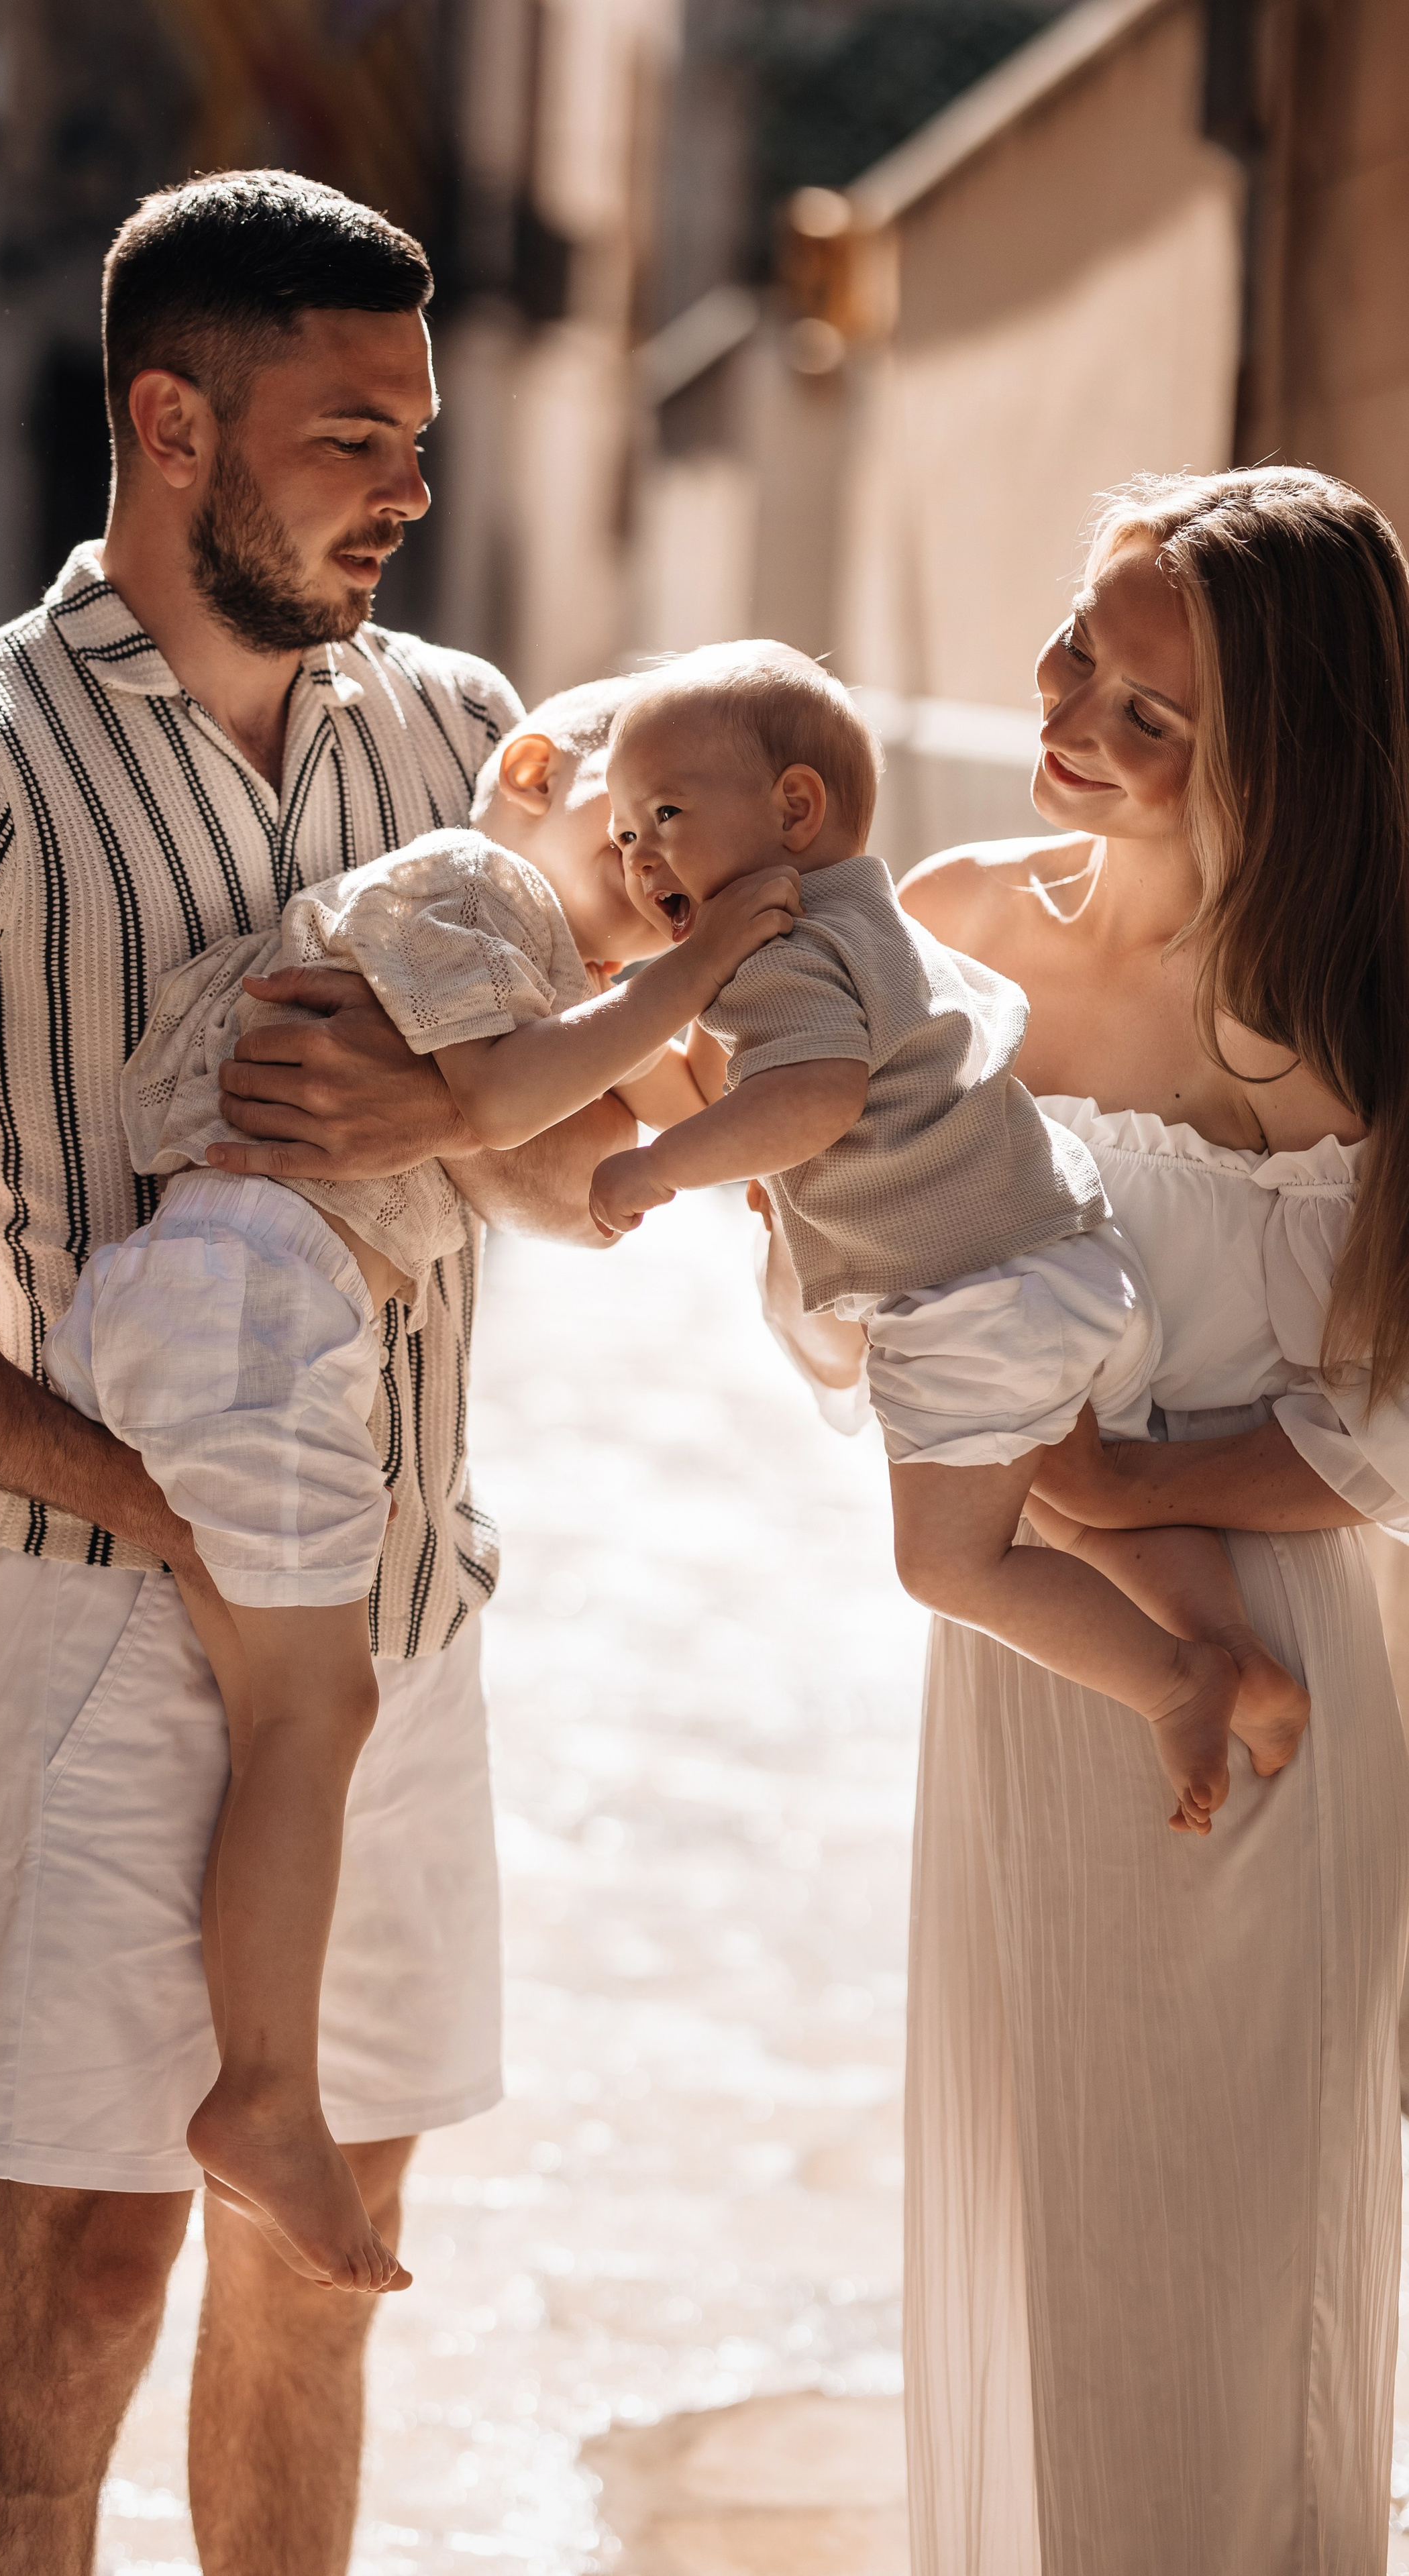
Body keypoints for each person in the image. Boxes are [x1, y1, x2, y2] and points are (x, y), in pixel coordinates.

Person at [0, 169, 637, 2575]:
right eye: (354, 436)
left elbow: (571, 1175)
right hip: (103, 1622)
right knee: (87, 2281)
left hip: (404, 1617)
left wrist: (452, 1110)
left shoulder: (467, 740)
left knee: (315, 2286)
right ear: (171, 422)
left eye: (417, 432)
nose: (413, 490)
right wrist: (135, 1490)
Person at [767, 467, 1409, 2571]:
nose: (1076, 721)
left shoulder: (1355, 1014)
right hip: (1025, 1665)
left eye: (1157, 714)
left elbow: (1396, 1421)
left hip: (1281, 1676)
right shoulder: (949, 925)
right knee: (1040, 2218)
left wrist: (1125, 1474)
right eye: (1081, 655)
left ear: (1288, 751)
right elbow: (827, 1311)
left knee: (1235, 2275)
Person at [44, 682, 792, 2282]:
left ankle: (265, 2087)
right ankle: (259, 2096)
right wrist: (700, 965)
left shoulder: (535, 953)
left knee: (292, 1711)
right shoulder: (468, 886)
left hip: (249, 1312)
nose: (660, 894)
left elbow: (588, 1173)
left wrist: (724, 1045)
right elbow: (513, 1104)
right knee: (314, 1715)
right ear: (533, 772)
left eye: (690, 880)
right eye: (642, 837)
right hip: (250, 1296)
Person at [589, 641, 1307, 1831]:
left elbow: (803, 1102)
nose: (637, 852)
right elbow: (752, 1085)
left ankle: (1184, 1681)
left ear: (793, 808)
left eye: (662, 813)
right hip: (1075, 1263)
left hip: (974, 1302)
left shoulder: (773, 958)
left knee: (946, 1565)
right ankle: (1240, 1652)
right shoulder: (868, 914)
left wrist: (655, 1167)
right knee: (1078, 1502)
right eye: (619, 833)